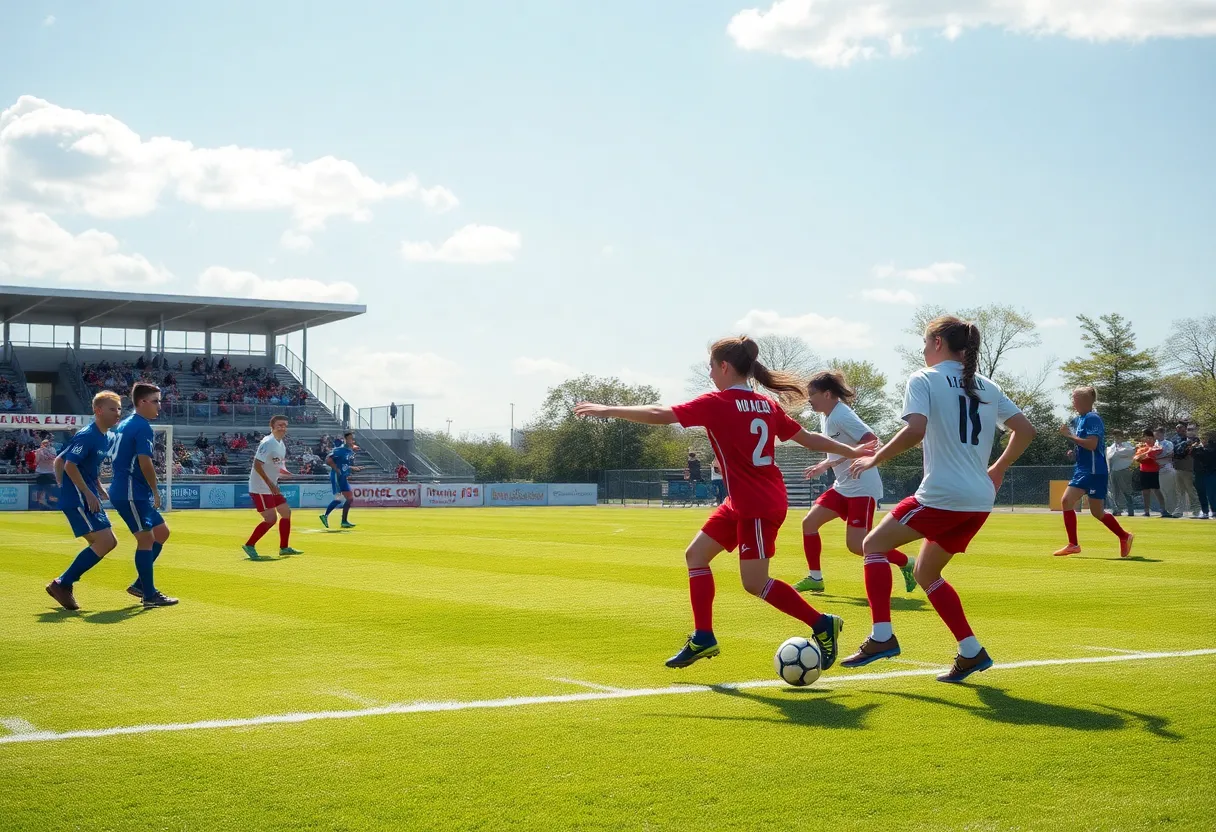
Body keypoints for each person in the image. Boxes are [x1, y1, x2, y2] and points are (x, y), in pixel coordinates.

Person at [574, 335, 877, 671]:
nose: (709, 374)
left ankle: (822, 623)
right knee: (696, 555)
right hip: (743, 500)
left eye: (710, 367)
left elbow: (662, 413)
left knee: (755, 582)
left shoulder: (718, 402)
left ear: (724, 366)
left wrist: (608, 409)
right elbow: (806, 437)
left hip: (758, 505)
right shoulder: (766, 405)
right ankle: (703, 636)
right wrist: (850, 451)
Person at [846, 316, 1036, 682]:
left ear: (936, 341)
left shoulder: (924, 378)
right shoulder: (987, 385)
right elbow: (1026, 430)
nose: (921, 349)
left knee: (871, 545)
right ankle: (970, 651)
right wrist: (998, 468)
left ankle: (882, 636)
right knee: (926, 571)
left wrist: (874, 458)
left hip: (941, 496)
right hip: (980, 500)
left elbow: (915, 430)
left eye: (923, 341)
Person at [793, 370, 916, 596]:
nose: (809, 398)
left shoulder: (842, 415)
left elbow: (872, 442)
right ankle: (816, 578)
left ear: (827, 394)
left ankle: (907, 562)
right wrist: (826, 465)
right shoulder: (826, 415)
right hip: (843, 486)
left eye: (813, 393)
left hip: (861, 486)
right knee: (809, 523)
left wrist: (837, 462)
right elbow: (845, 448)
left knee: (858, 546)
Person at [44, 392, 123, 611]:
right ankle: (62, 584)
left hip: (86, 495)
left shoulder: (105, 436)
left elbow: (64, 460)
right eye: (112, 409)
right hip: (80, 498)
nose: (117, 413)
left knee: (108, 542)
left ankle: (63, 583)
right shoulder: (87, 435)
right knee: (105, 542)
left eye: (118, 409)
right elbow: (70, 465)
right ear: (98, 411)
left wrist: (97, 487)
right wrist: (84, 492)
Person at [110, 383, 177, 607]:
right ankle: (149, 595)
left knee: (162, 532)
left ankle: (141, 584)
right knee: (146, 539)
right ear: (142, 402)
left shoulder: (125, 424)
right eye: (156, 401)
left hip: (129, 489)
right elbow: (144, 461)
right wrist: (155, 490)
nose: (160, 405)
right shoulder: (142, 426)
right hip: (131, 491)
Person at [1052, 387, 1134, 557]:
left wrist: (1070, 436)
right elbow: (1086, 446)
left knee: (1067, 501)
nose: (1073, 401)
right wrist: (1074, 453)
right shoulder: (1080, 419)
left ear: (1085, 400)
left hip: (1093, 471)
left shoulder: (1092, 418)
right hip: (1086, 469)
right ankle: (1124, 536)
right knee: (1097, 512)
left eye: (1075, 398)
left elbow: (1092, 444)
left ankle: (1073, 544)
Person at [242, 415, 302, 559]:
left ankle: (284, 547)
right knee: (270, 519)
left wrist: (286, 474)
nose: (283, 428)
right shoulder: (267, 442)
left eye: (285, 425)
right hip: (261, 487)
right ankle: (249, 545)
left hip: (271, 486)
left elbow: (278, 467)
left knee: (286, 512)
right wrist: (270, 484)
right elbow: (257, 464)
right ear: (272, 427)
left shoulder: (281, 444)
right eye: (280, 425)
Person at [322, 432, 362, 529]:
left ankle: (344, 521)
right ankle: (325, 516)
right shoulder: (339, 450)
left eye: (352, 439)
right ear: (345, 439)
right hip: (337, 476)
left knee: (350, 499)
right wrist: (336, 469)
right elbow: (328, 459)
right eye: (349, 439)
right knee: (338, 499)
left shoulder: (349, 451)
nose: (351, 441)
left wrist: (353, 468)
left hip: (343, 477)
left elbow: (344, 464)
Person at [1134, 430, 1169, 517]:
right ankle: (1146, 511)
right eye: (1147, 438)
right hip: (1143, 471)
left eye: (1150, 438)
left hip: (1154, 471)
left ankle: (1163, 509)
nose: (1148, 440)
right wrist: (1147, 452)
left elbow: (1158, 452)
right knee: (1145, 492)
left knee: (1157, 490)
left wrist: (1147, 453)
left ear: (1153, 439)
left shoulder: (1157, 446)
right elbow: (1137, 458)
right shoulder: (1142, 448)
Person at [1171, 422, 1200, 518]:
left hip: (1188, 469)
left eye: (1191, 429)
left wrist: (1188, 444)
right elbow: (1176, 450)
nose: (1188, 431)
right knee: (1180, 491)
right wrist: (1185, 443)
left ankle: (1196, 509)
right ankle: (1179, 510)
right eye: (1188, 429)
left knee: (1191, 490)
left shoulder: (1196, 440)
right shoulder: (1178, 439)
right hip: (1178, 467)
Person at [1105, 429, 1137, 517]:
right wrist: (1117, 453)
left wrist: (1118, 453)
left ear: (1122, 436)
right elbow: (1109, 456)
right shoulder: (1111, 447)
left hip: (1124, 470)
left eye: (1118, 435)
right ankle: (1117, 509)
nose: (1116, 438)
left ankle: (1130, 510)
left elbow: (1131, 452)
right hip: (1113, 471)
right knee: (1115, 491)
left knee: (1126, 490)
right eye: (1115, 436)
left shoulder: (1127, 445)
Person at [1154, 427, 1179, 518]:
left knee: (1169, 490)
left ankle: (1171, 510)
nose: (1156, 435)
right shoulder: (1154, 444)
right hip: (1156, 470)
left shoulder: (1168, 443)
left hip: (1166, 469)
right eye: (1155, 433)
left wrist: (1157, 458)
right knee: (1161, 491)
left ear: (1162, 434)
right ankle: (1164, 510)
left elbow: (1169, 456)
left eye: (1158, 433)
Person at [1195, 431, 1216, 520]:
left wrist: (1198, 449)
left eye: (1205, 438)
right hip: (1198, 473)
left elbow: (1207, 455)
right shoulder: (1197, 448)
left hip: (1210, 472)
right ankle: (1205, 511)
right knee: (1201, 493)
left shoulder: (1212, 447)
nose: (1203, 440)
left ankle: (1214, 510)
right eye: (1202, 438)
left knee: (1211, 493)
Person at [33, 437, 59, 509]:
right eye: (44, 444)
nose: (46, 445)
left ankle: (52, 503)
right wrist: (40, 453)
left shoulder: (52, 450)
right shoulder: (38, 451)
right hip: (40, 472)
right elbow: (37, 461)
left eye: (47, 444)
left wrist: (46, 452)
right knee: (40, 489)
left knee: (50, 488)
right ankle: (38, 503)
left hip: (50, 472)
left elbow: (53, 458)